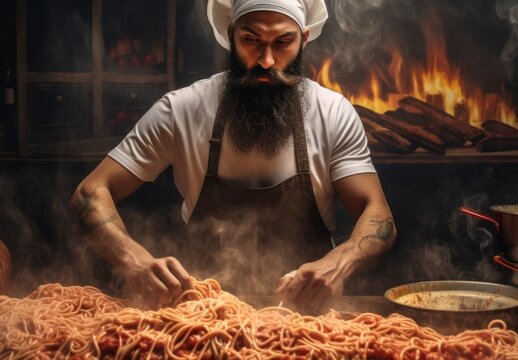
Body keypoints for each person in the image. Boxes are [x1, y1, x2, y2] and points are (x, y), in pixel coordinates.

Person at [69, 0, 396, 314]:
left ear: (305, 37)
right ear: (230, 33)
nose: (266, 60)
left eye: (283, 42)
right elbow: (89, 193)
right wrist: (134, 261)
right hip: (197, 316)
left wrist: (339, 264)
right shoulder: (181, 109)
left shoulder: (333, 113)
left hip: (309, 315)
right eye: (251, 40)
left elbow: (378, 213)